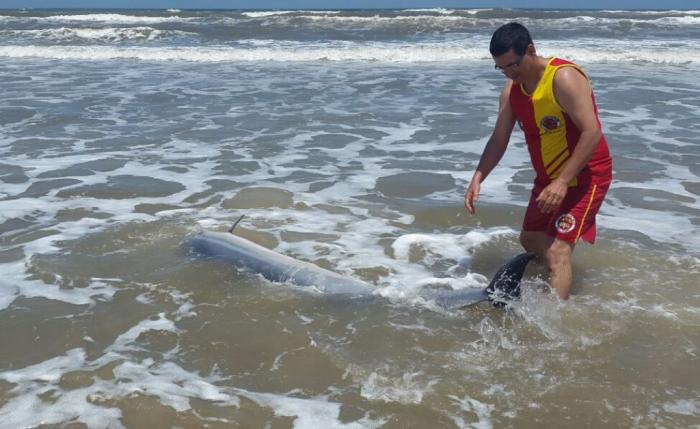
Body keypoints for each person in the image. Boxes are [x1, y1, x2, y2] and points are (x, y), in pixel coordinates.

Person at [464, 22, 613, 300]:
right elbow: (499, 138)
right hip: (549, 178)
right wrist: (478, 176)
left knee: (557, 251)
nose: (509, 73)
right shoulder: (512, 91)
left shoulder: (563, 78)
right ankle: (560, 275)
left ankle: (553, 328)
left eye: (514, 65)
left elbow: (592, 133)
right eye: (502, 69)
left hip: (585, 175)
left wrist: (563, 182)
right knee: (531, 239)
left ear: (531, 50)